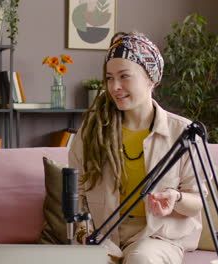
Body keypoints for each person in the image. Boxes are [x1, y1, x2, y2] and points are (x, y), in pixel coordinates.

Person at [69, 32, 207, 264]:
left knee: (142, 260)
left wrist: (175, 197)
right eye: (110, 78)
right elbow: (78, 191)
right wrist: (83, 232)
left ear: (151, 78)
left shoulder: (182, 133)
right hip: (102, 234)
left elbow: (198, 201)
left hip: (157, 237)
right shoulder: (92, 131)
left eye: (124, 76)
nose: (115, 87)